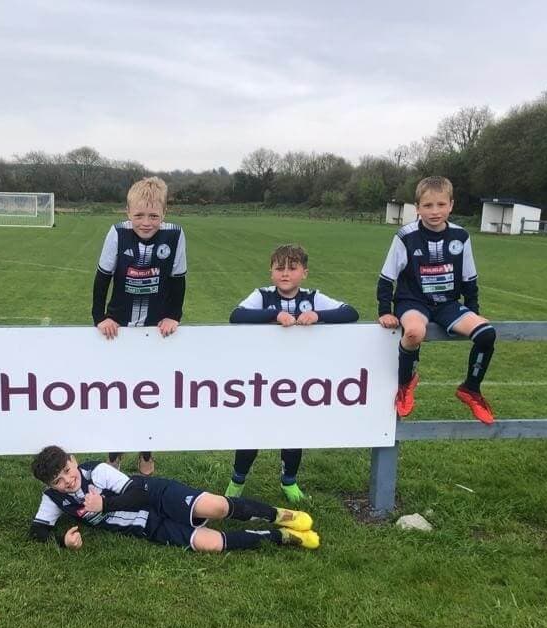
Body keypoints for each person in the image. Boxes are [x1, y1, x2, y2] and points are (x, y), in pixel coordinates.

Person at [226, 244, 360, 503]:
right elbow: (236, 315)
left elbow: (350, 312)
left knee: (293, 430)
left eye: (292, 268)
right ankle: (237, 480)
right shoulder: (263, 295)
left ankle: (289, 481)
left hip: (298, 380)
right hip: (263, 378)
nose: (285, 274)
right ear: (271, 272)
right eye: (279, 268)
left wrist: (317, 315)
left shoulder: (313, 297)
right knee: (253, 429)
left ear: (304, 273)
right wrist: (274, 315)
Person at [28, 446, 319, 552]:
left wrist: (105, 505)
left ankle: (279, 514)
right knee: (213, 545)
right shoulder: (53, 498)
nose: (67, 480)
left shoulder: (97, 471)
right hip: (147, 526)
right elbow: (38, 531)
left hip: (158, 495)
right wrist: (62, 542)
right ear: (49, 484)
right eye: (58, 481)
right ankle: (279, 536)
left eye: (67, 470)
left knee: (217, 507)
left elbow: (138, 493)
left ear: (73, 460)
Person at [377, 176, 497, 424]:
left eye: (441, 205)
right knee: (413, 333)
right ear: (417, 207)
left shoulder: (461, 236)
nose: (435, 211)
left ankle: (470, 389)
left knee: (486, 333)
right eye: (428, 205)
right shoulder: (405, 236)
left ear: (451, 205)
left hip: (447, 304)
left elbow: (469, 278)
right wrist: (384, 311)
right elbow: (387, 276)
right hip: (412, 301)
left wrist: (472, 312)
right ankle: (405, 384)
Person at [91, 176, 187, 475]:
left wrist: (174, 316)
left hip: (155, 328)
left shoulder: (174, 235)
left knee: (149, 394)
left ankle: (146, 454)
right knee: (118, 393)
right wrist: (100, 317)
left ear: (164, 213)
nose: (146, 223)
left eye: (154, 216)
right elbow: (102, 277)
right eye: (139, 216)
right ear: (127, 212)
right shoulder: (117, 233)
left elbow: (178, 280)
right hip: (119, 327)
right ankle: (115, 455)